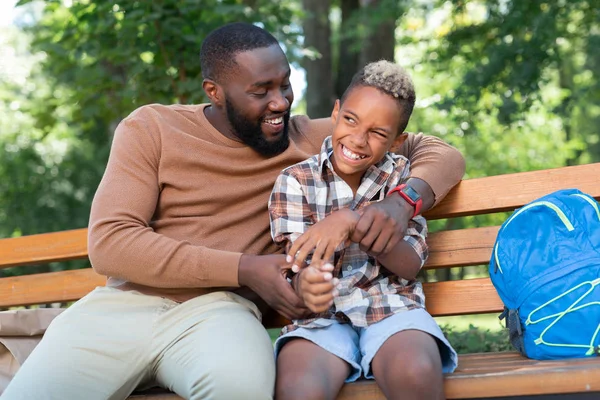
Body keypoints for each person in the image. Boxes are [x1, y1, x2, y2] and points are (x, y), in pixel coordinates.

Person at [2, 23, 464, 400]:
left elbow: (434, 149)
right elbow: (110, 243)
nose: (280, 102)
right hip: (123, 308)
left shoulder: (312, 137)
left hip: (221, 315)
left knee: (242, 388)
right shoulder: (152, 128)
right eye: (261, 91)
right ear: (215, 92)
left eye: (285, 85)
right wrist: (244, 268)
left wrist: (404, 202)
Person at [269, 60, 457, 400]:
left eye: (377, 133)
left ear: (397, 141)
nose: (357, 139)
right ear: (336, 111)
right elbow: (296, 265)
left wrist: (354, 221)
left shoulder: (401, 179)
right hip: (321, 319)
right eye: (350, 120)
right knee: (299, 389)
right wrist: (306, 283)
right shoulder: (296, 181)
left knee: (415, 372)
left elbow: (410, 264)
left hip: (392, 307)